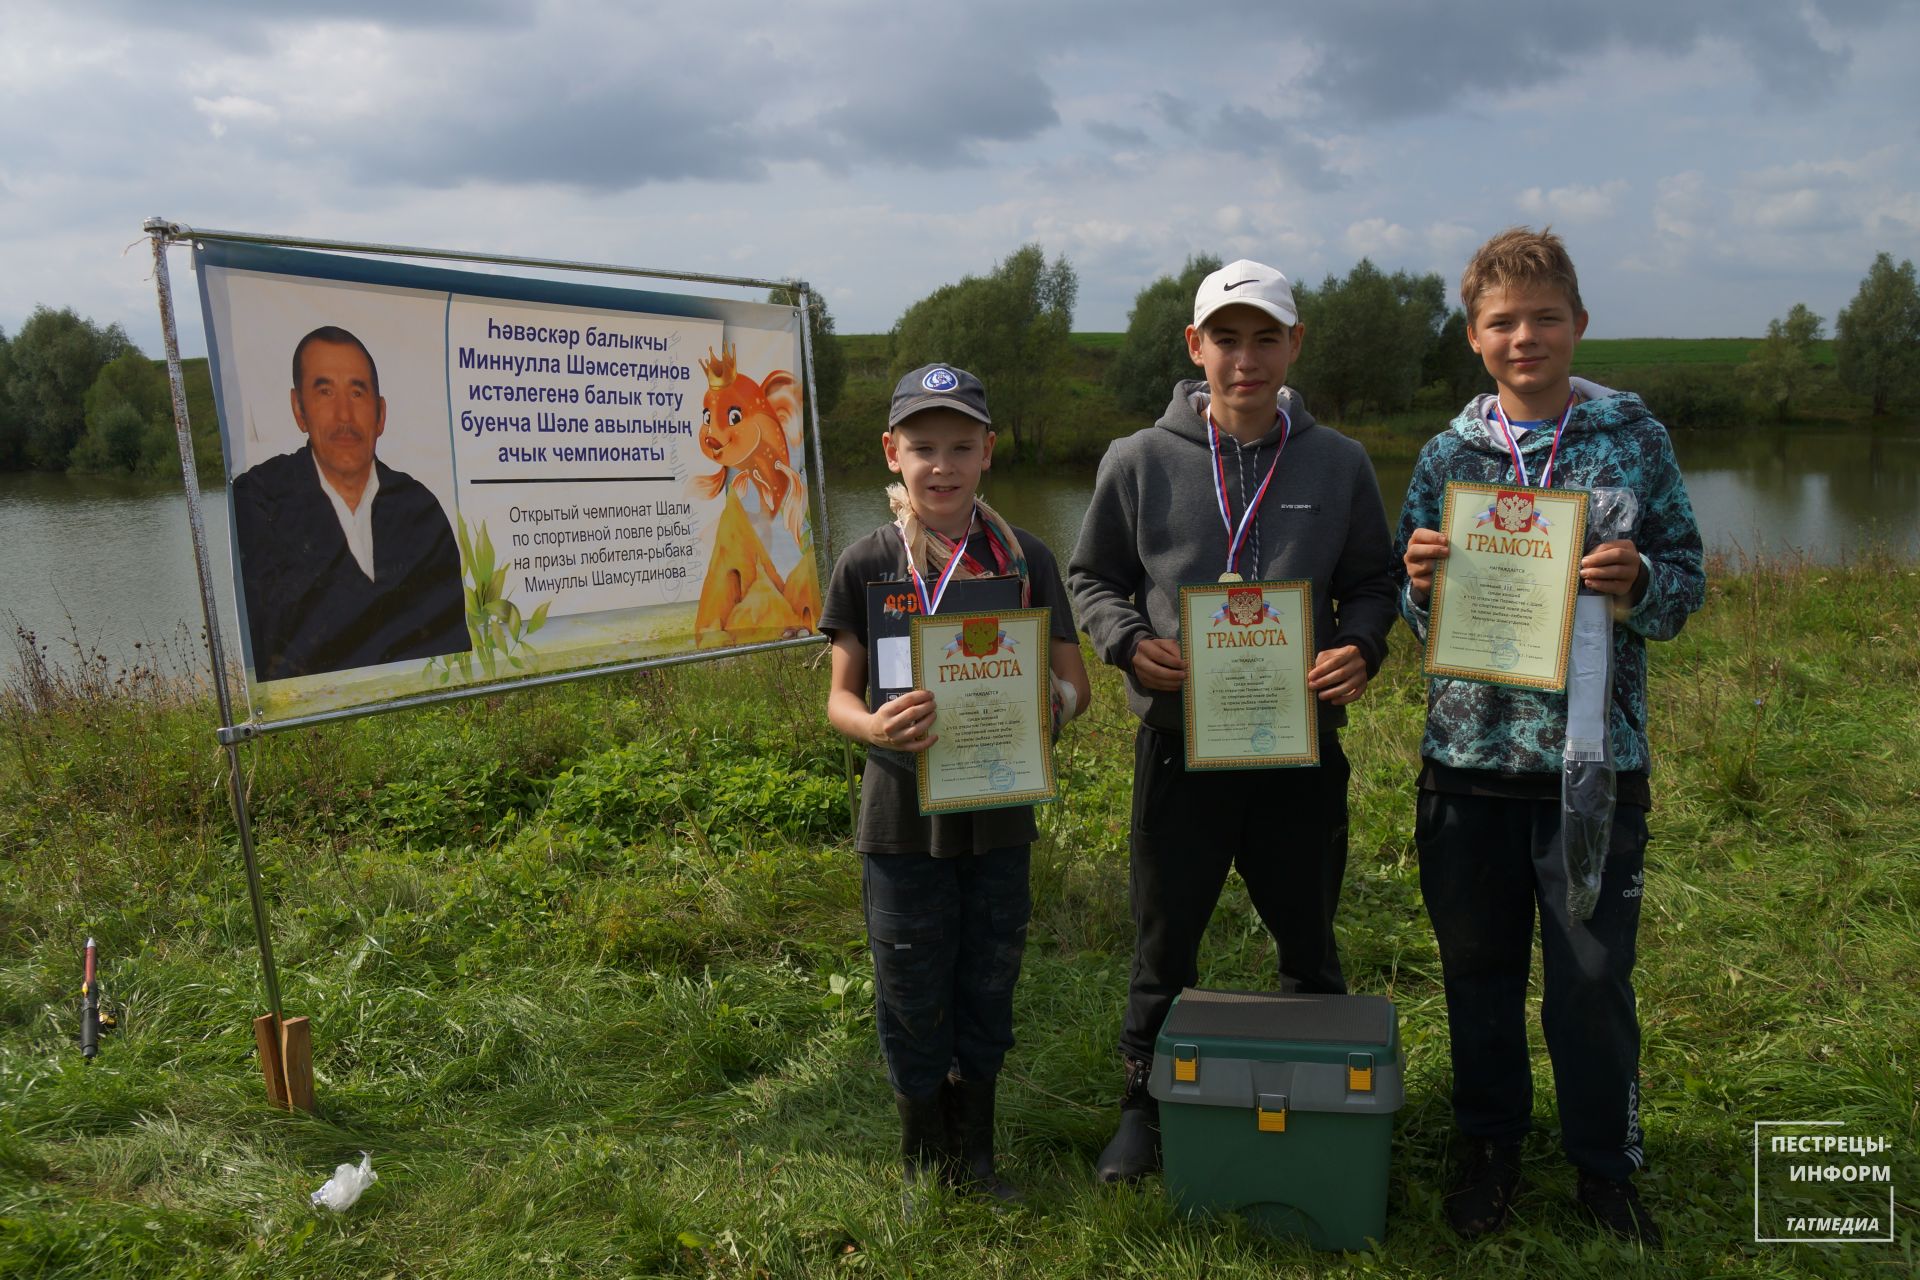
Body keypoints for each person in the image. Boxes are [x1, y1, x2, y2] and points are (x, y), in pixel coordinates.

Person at [1395, 227, 1704, 1247]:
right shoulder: (1449, 456)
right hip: (1468, 766)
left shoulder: (1636, 439)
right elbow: (1413, 609)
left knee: (1590, 982)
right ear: (1475, 338)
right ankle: (1489, 1150)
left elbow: (1686, 583)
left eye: (1544, 317)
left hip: (1593, 769)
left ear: (1579, 323)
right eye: (1502, 322)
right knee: (1476, 974)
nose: (1524, 336)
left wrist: (1641, 581)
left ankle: (1604, 1167)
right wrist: (1420, 582)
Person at [1068, 260, 1398, 1183]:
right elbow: (1091, 578)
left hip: (1300, 749)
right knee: (1164, 937)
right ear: (1194, 347)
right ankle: (1142, 1105)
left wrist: (1362, 647)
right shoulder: (1138, 460)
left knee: (1309, 938)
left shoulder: (1339, 462)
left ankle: (1309, 1104)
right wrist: (1128, 642)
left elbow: (1374, 583)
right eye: (1226, 338)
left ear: (1294, 345)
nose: (1244, 359)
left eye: (1265, 338)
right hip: (1181, 748)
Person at [821, 364, 1091, 1206]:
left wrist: (1052, 700)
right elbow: (838, 696)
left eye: (961, 447)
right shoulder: (866, 562)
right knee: (909, 989)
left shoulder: (1025, 559)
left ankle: (976, 1155)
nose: (942, 465)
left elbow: (1076, 686)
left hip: (1000, 815)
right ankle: (920, 1160)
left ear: (988, 454)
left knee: (987, 984)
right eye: (924, 447)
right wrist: (872, 727)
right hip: (900, 826)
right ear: (891, 453)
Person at [232, 325, 468, 680]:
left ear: (380, 414)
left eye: (357, 393)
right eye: (325, 392)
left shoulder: (420, 512)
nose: (344, 416)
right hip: (317, 729)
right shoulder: (261, 502)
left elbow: (449, 650)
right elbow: (273, 650)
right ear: (299, 409)